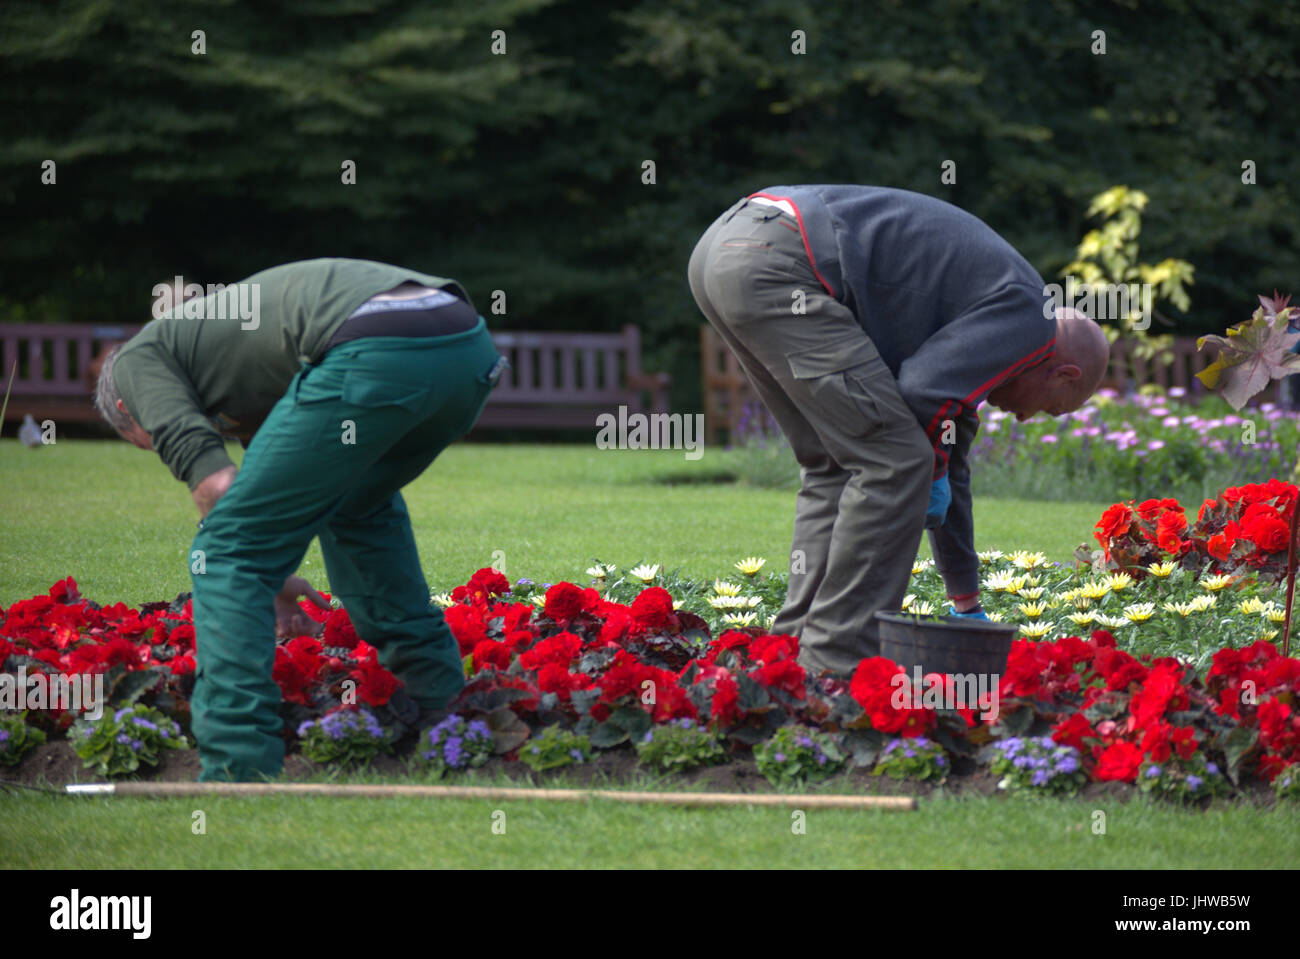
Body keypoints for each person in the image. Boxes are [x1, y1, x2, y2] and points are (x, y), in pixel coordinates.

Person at [95, 258, 506, 781]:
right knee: (358, 509)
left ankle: (238, 771)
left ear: (132, 407)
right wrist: (274, 572)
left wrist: (265, 575)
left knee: (225, 553)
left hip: (376, 346)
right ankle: (445, 715)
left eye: (151, 440)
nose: (170, 446)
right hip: (465, 348)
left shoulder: (139, 361)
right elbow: (288, 493)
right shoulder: (235, 369)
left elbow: (220, 492)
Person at [688, 186, 1110, 678]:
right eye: (1053, 410)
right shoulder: (1029, 322)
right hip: (785, 264)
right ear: (1063, 375)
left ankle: (794, 659)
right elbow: (922, 391)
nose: (1026, 419)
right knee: (895, 462)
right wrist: (927, 472)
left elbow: (951, 461)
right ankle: (838, 668)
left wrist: (965, 599)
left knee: (835, 463)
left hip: (724, 252)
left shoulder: (989, 327)